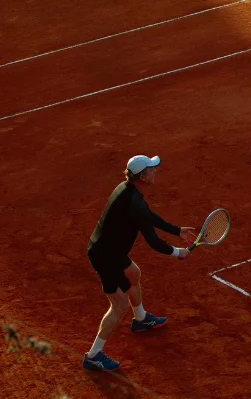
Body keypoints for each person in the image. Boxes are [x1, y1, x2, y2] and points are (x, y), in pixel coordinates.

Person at [83, 155, 196, 373]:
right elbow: (153, 240)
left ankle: (141, 319)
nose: (156, 171)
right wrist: (177, 252)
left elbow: (149, 215)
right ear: (143, 176)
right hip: (105, 255)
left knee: (133, 274)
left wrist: (177, 230)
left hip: (109, 249)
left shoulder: (126, 189)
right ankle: (93, 355)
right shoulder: (134, 204)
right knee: (119, 305)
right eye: (152, 170)